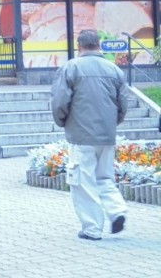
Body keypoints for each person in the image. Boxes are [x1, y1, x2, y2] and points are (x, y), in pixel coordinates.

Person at [51, 28, 130, 240]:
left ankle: (92, 229)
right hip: (107, 134)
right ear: (98, 45)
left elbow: (60, 101)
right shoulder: (114, 70)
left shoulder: (71, 68)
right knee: (104, 177)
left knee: (82, 182)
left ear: (79, 46)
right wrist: (112, 124)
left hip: (81, 135)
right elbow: (123, 104)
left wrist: (62, 121)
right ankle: (117, 211)